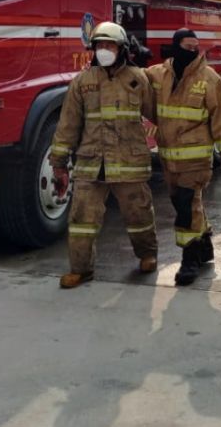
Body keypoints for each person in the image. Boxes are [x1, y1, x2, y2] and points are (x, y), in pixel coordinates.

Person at [50, 22, 158, 288]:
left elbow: (158, 114)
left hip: (128, 162)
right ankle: (81, 269)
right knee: (81, 220)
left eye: (109, 45)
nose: (103, 50)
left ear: (121, 49)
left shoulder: (138, 79)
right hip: (91, 163)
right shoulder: (82, 82)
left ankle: (147, 255)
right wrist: (58, 163)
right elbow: (68, 125)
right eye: (99, 45)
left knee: (139, 214)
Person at [147, 28, 221, 286]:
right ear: (175, 47)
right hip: (168, 158)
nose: (192, 51)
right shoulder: (157, 75)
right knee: (185, 204)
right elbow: (135, 86)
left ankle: (189, 262)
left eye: (195, 47)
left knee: (187, 207)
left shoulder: (209, 79)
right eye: (187, 46)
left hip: (196, 159)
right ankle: (205, 246)